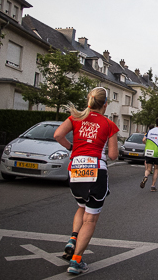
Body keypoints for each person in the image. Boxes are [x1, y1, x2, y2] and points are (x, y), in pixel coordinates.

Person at [54, 87, 119, 275]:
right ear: (105, 104)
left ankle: (73, 238)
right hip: (96, 171)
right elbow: (114, 155)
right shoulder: (109, 125)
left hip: (76, 169)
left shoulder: (75, 118)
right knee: (90, 219)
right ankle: (76, 261)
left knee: (81, 206)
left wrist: (72, 147)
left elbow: (58, 135)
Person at [141, 118, 158, 191]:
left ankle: (145, 176)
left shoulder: (149, 131)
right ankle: (153, 186)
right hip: (157, 151)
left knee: (148, 168)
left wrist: (147, 144)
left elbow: (143, 140)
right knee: (156, 169)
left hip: (148, 151)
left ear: (155, 123)